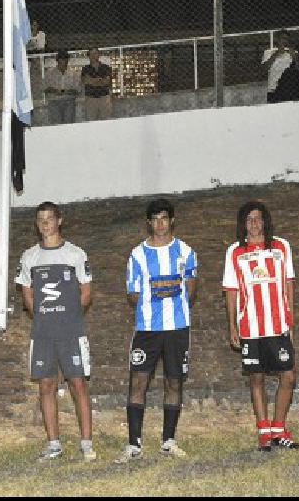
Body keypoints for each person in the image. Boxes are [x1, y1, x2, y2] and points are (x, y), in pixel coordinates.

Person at [115, 199, 197, 464]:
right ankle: (134, 444)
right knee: (138, 381)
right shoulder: (137, 255)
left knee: (174, 381)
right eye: (155, 219)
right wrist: (156, 296)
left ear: (172, 220)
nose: (160, 224)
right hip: (147, 328)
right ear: (149, 222)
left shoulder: (186, 252)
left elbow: (191, 290)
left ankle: (168, 440)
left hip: (177, 328)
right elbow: (132, 294)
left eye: (164, 218)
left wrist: (173, 295)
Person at [15, 202, 96, 462]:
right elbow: (26, 291)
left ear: (59, 221)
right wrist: (39, 313)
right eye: (41, 219)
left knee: (78, 384)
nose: (45, 223)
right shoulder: (30, 256)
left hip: (71, 330)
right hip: (42, 333)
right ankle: (53, 444)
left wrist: (67, 315)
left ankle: (86, 443)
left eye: (50, 218)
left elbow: (86, 292)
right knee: (46, 385)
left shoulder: (75, 254)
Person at [223, 202, 299, 452]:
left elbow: (288, 284)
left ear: (265, 221)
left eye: (258, 219)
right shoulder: (235, 251)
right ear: (242, 224)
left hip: (277, 325)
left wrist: (291, 320)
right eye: (249, 220)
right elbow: (231, 291)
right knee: (256, 378)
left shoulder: (281, 246)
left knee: (288, 376)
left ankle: (279, 428)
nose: (254, 224)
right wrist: (232, 327)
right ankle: (263, 431)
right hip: (250, 327)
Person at [261, 31, 299, 103]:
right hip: (273, 89)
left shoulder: (293, 52)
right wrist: (276, 54)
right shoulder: (268, 52)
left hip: (289, 89)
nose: (285, 41)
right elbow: (264, 69)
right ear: (277, 39)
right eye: (283, 38)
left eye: (287, 39)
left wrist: (294, 58)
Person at [44, 50, 80, 125]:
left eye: (65, 58)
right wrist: (55, 91)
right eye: (61, 58)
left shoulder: (74, 73)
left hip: (69, 102)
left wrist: (66, 91)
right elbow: (45, 88)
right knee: (56, 125)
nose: (63, 61)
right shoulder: (49, 73)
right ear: (57, 60)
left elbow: (77, 90)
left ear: (68, 60)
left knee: (69, 125)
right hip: (54, 102)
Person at [81, 48, 113, 121]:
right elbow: (85, 81)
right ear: (88, 56)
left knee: (106, 122)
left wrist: (92, 81)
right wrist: (100, 80)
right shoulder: (85, 68)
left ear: (99, 55)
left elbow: (107, 81)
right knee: (90, 123)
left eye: (95, 53)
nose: (93, 56)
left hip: (104, 98)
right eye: (90, 54)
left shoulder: (106, 67)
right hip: (90, 99)